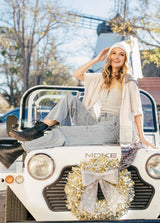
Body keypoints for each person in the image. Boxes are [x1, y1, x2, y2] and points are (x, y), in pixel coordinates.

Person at [0, 41, 156, 169]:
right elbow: (77, 75)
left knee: (63, 133)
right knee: (69, 100)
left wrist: (142, 137)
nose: (117, 57)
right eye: (114, 53)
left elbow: (137, 112)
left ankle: (15, 151)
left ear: (125, 59)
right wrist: (96, 59)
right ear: (109, 57)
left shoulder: (129, 82)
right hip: (99, 122)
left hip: (113, 128)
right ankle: (35, 131)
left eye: (121, 54)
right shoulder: (103, 78)